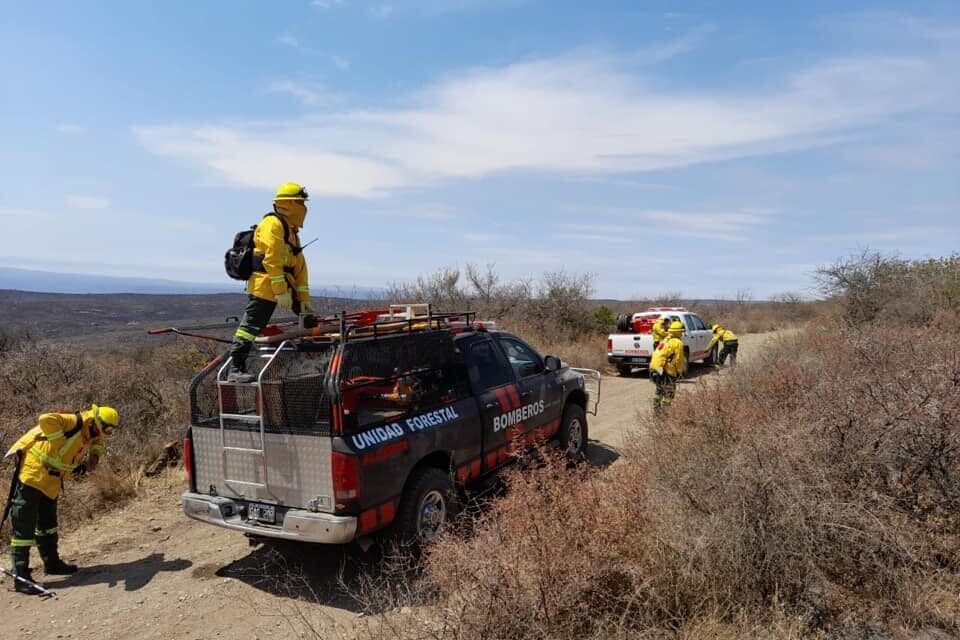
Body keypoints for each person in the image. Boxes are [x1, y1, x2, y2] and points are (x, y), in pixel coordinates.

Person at [4, 404, 119, 594]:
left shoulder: (93, 431)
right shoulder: (75, 421)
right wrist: (57, 443)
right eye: (99, 429)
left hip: (52, 481)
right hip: (32, 476)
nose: (98, 434)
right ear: (93, 421)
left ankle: (52, 563)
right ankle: (21, 576)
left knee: (48, 526)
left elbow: (99, 441)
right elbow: (46, 419)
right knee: (24, 529)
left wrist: (95, 456)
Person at [228, 182, 313, 382]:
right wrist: (280, 291)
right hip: (265, 286)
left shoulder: (291, 231)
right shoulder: (272, 225)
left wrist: (304, 301)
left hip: (284, 284)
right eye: (300, 203)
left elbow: (300, 268)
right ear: (288, 204)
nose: (304, 208)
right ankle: (236, 368)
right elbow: (271, 260)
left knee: (308, 321)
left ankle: (310, 358)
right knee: (250, 327)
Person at [649, 320, 685, 414]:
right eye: (681, 331)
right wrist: (679, 371)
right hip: (668, 371)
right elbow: (678, 359)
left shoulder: (665, 340)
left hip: (658, 369)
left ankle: (657, 412)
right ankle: (666, 414)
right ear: (677, 332)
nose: (682, 333)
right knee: (669, 394)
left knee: (659, 391)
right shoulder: (678, 343)